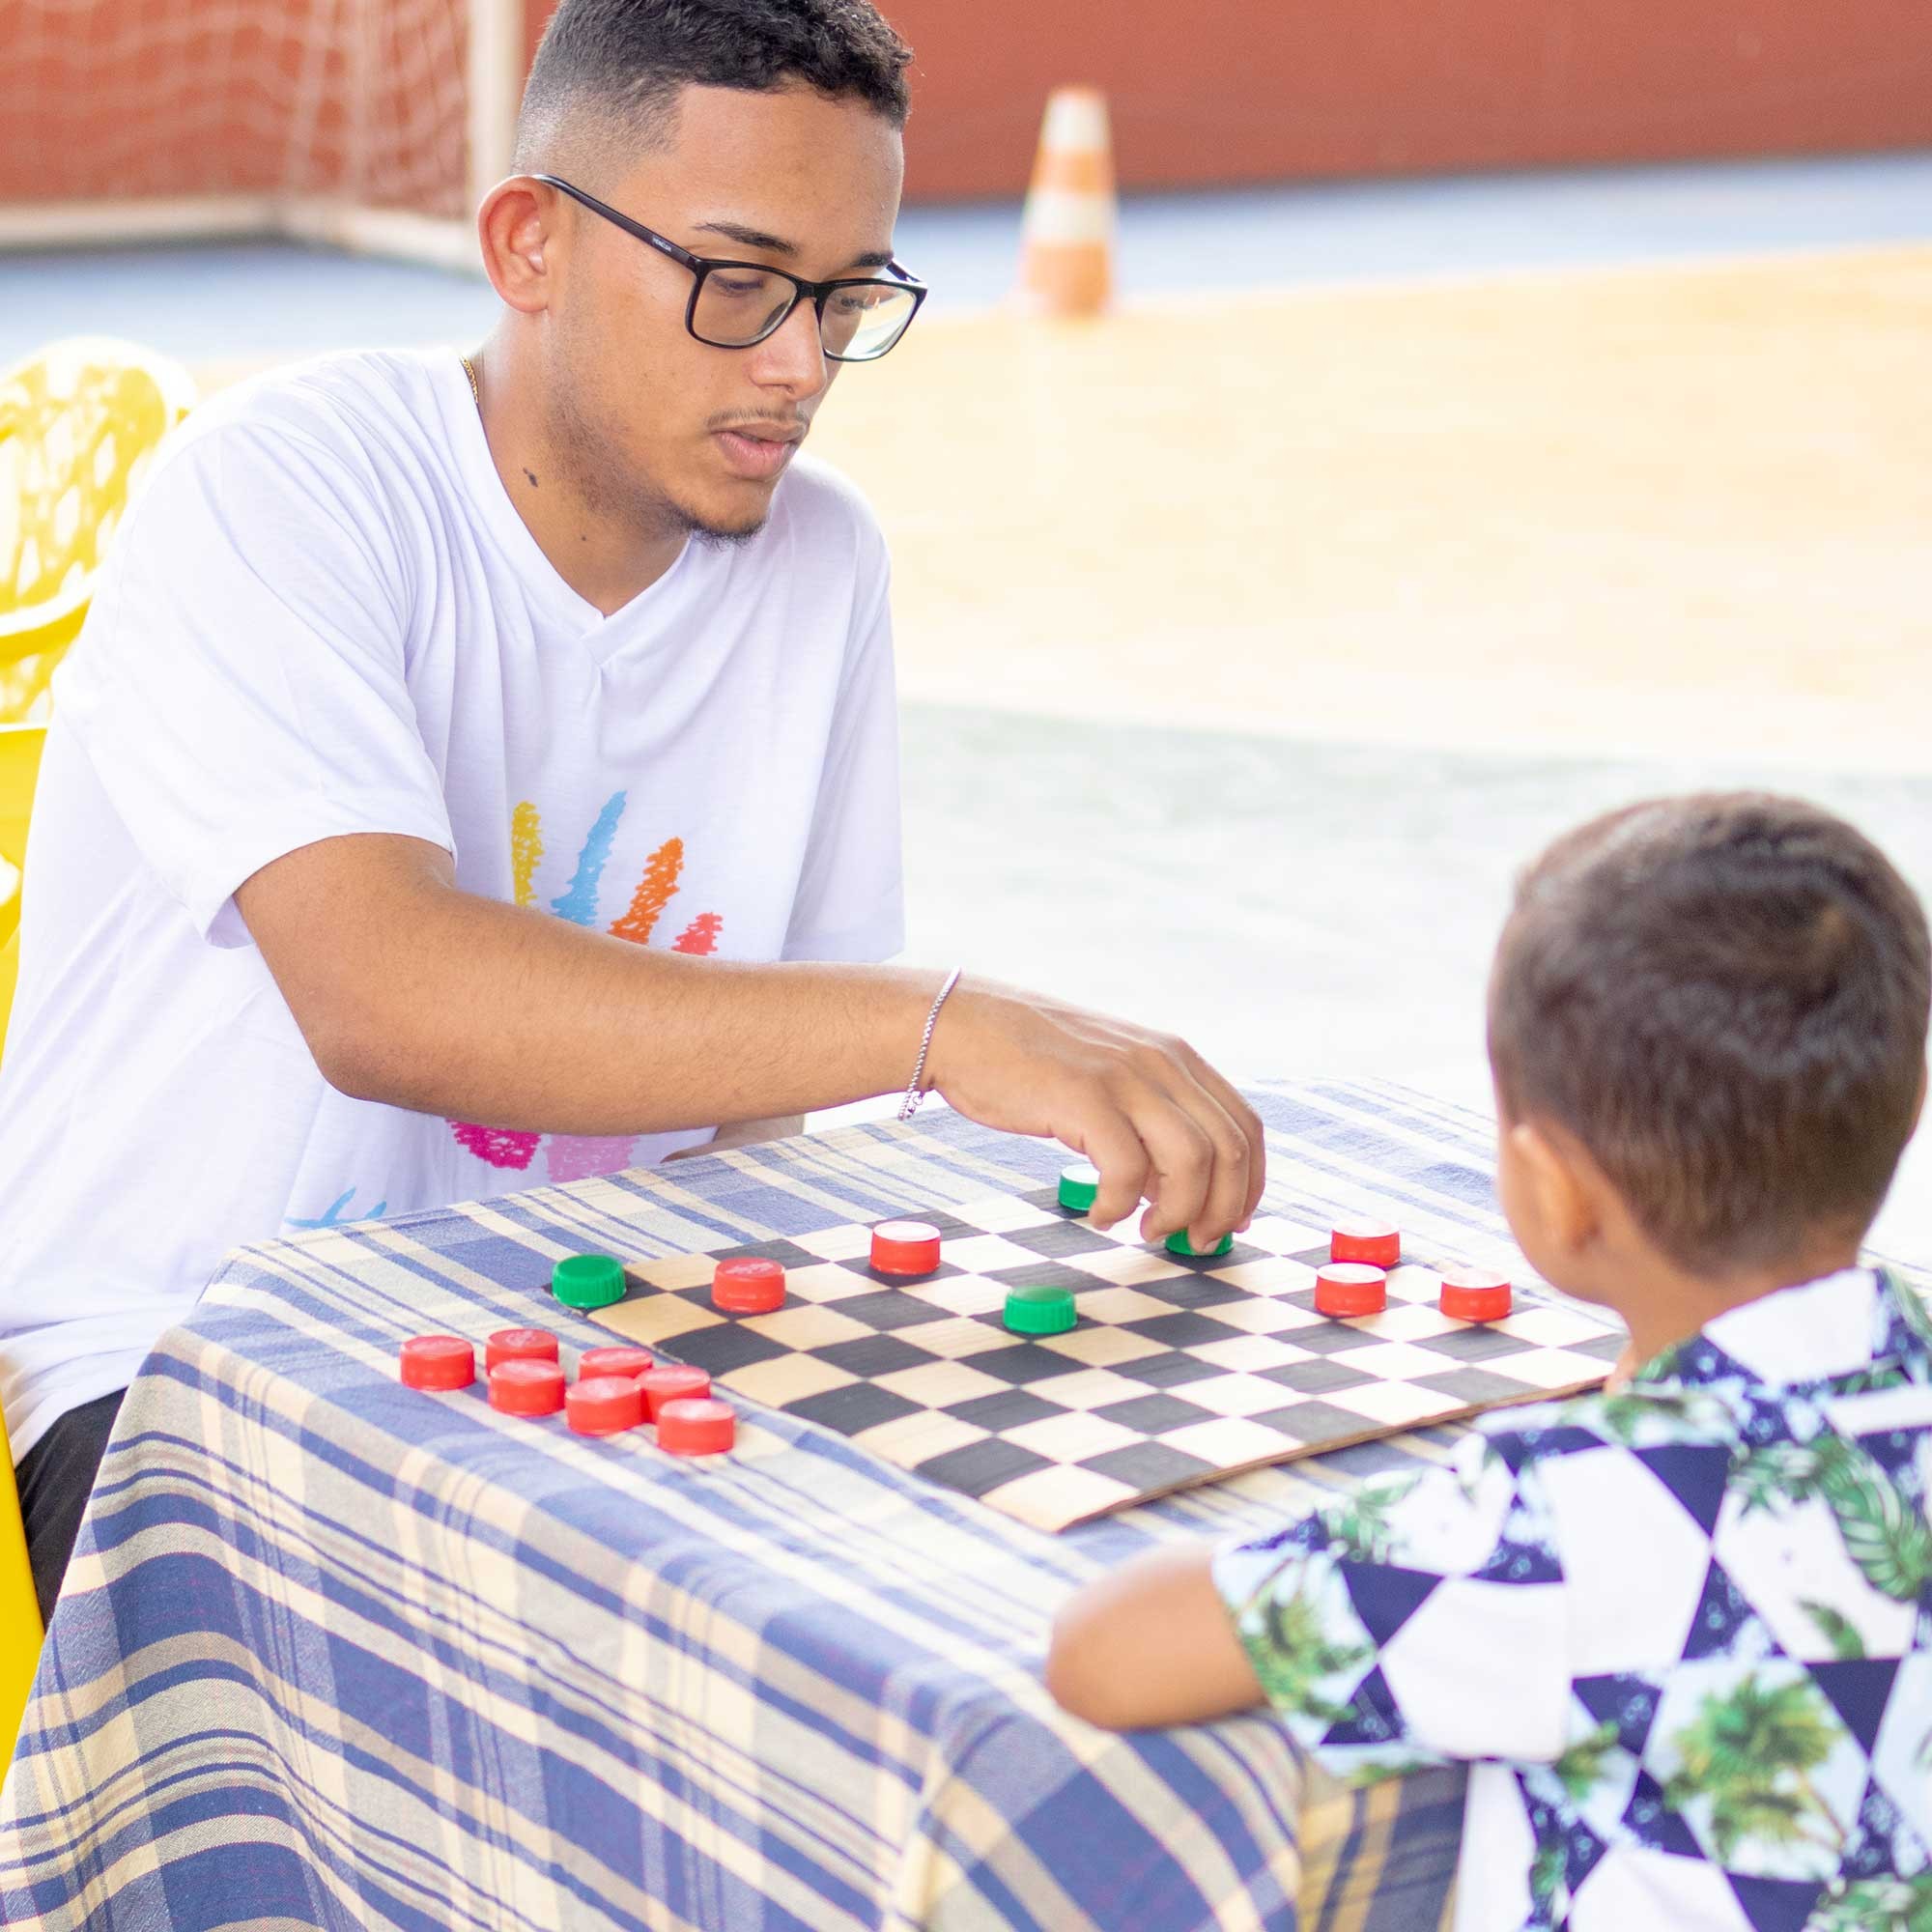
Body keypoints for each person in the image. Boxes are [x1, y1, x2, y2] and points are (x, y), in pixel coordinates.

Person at [0, 0, 1264, 1625]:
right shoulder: (284, 482)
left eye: (847, 296)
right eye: (737, 285)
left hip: (579, 1361)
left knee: (958, 1623)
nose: (799, 363)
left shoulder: (825, 561)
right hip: (188, 1362)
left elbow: (761, 1108)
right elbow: (382, 998)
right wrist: (947, 1026)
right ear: (530, 243)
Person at [1048, 793, 1932, 1932]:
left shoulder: (1571, 1516)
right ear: (1905, 1106)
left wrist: (1415, 1512)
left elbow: (1103, 1656)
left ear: (1552, 1188)